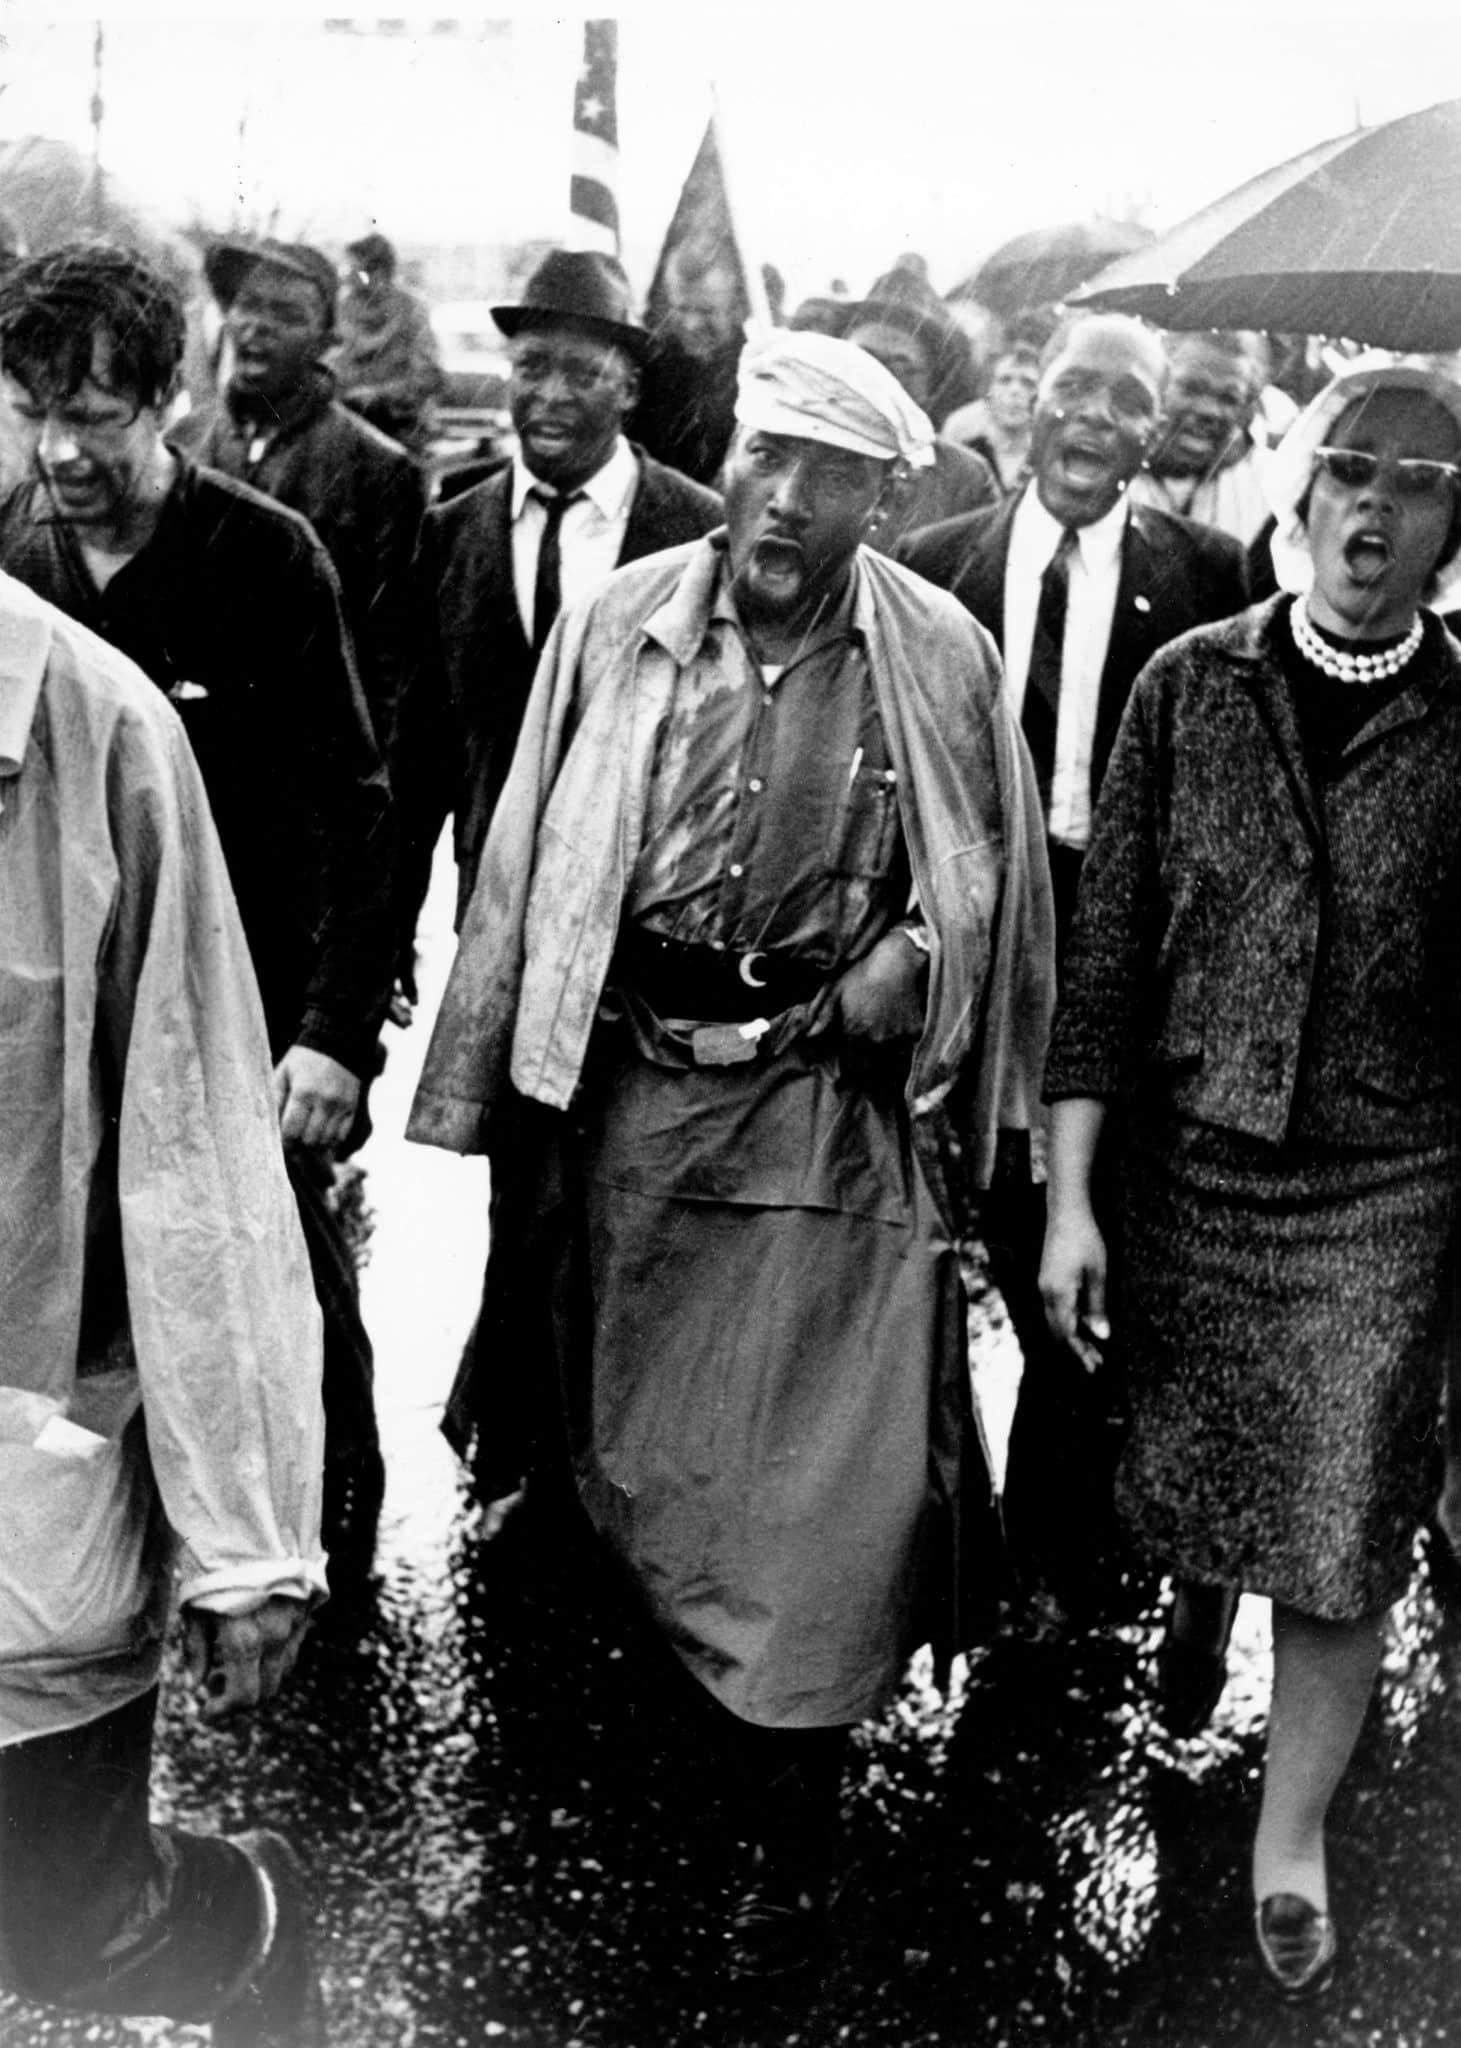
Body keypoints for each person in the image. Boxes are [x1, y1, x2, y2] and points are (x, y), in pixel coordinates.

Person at [406, 328, 1054, 1976]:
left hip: (828, 1113)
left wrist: (917, 956)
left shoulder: (939, 650)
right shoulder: (623, 626)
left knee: (823, 1499)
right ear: (738, 453)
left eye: (826, 475)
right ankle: (689, 1780)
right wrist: (499, 1085)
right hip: (641, 1104)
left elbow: (988, 879)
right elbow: (531, 847)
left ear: (878, 494)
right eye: (767, 457)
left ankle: (794, 1819)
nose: (781, 498)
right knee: (656, 1466)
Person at [1040, 358, 1461, 2000]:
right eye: (1349, 470)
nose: (1376, 507)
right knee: (1207, 1470)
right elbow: (1105, 962)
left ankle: (1288, 1834)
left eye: (1418, 483)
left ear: (1451, 524)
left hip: (1386, 1186)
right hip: (1192, 1167)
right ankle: (1195, 1607)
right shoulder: (1188, 684)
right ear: (1296, 489)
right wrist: (1071, 1198)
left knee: (1342, 1515)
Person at [0, 241, 396, 1582]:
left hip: (249, 1017)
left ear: (166, 400)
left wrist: (338, 1036)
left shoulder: (268, 559)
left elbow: (357, 809)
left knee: (272, 1279)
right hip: (73, 1022)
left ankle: (312, 1548)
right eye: (36, 412)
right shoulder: (14, 563)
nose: (60, 451)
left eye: (95, 416)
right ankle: (119, 1556)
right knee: (94, 1296)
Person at [0, 566, 326, 2042]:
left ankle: (250, 1917)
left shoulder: (101, 727)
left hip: (26, 1472)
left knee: (68, 1933)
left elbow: (194, 1148)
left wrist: (245, 1537)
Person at [897, 313, 1249, 1633]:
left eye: (1126, 400)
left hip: (1122, 963)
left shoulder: (1210, 574)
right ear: (1025, 408)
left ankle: (1052, 1566)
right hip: (968, 960)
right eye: (1073, 391)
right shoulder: (932, 569)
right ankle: (942, 1552)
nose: (1095, 419)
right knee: (946, 1242)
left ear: (1156, 429)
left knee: (1081, 1254)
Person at [393, 246, 722, 1517]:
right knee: (520, 1182)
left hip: (655, 928)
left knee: (635, 1192)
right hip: (514, 926)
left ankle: (627, 1456)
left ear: (627, 388)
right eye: (530, 367)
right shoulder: (454, 529)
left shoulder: (695, 526)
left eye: (579, 372)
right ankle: (520, 1447)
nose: (546, 396)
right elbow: (419, 760)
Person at [179, 235, 427, 781]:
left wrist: (370, 801)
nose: (256, 326)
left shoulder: (378, 470)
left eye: (286, 313)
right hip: (193, 767)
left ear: (325, 340)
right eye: (246, 306)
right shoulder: (181, 448)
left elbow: (393, 659)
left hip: (313, 776)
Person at [843, 286, 998, 552]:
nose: (875, 377)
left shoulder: (964, 476)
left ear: (929, 388)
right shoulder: (794, 451)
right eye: (861, 359)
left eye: (899, 368)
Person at [1128, 329, 1274, 547]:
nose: (1209, 411)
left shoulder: (1273, 485)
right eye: (1191, 388)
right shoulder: (1111, 467)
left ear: (1246, 411)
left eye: (1229, 398)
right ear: (1154, 385)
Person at [334, 229, 444, 458]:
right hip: (343, 427)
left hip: (401, 429)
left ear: (379, 272)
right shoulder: (340, 311)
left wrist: (377, 396)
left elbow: (429, 376)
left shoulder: (411, 311)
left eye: (355, 269)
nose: (347, 276)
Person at [941, 344, 1040, 493]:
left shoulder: (1044, 444)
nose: (1015, 391)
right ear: (989, 389)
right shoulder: (962, 427)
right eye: (1005, 380)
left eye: (1028, 383)